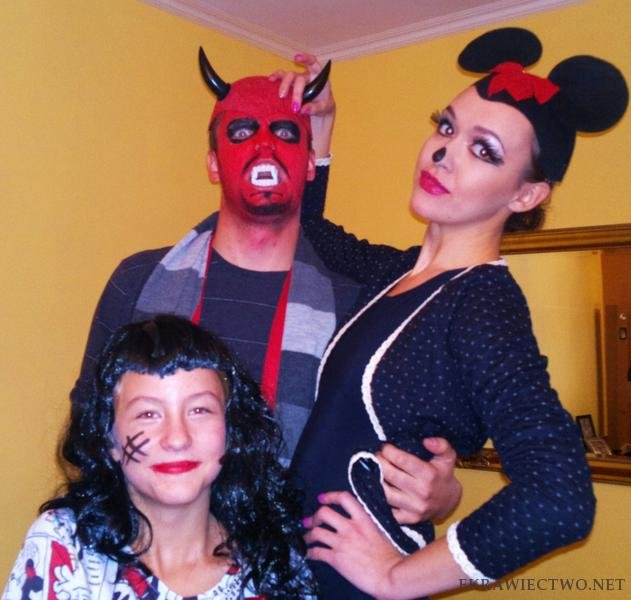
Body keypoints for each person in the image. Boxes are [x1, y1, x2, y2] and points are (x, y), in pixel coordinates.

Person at [291, 28, 628, 598]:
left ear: (525, 196)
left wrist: (396, 579)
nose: (442, 152)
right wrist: (321, 126)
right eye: (446, 127)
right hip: (300, 565)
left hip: (350, 582)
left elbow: (560, 497)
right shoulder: (397, 272)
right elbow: (309, 232)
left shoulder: (483, 304)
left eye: (484, 149)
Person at [70, 50, 462, 522]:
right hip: (149, 548)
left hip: (293, 553)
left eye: (284, 133)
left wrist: (442, 494)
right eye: (241, 132)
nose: (264, 146)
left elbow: (384, 449)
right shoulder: (138, 281)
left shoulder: (354, 305)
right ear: (214, 164)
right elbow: (87, 428)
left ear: (310, 164)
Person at [3, 315, 316, 599]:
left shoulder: (275, 565)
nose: (177, 438)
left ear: (231, 429)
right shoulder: (64, 548)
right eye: (148, 414)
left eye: (200, 410)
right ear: (110, 440)